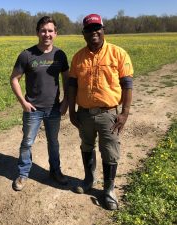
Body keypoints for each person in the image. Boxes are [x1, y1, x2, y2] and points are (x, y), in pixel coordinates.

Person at [68, 14, 133, 210]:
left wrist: (125, 113)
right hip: (85, 113)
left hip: (109, 114)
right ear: (83, 33)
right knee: (86, 146)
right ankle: (89, 180)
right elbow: (71, 86)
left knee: (110, 152)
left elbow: (127, 84)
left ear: (103, 30)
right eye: (89, 29)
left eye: (97, 28)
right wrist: (72, 110)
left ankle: (109, 189)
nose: (93, 32)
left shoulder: (118, 53)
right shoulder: (78, 57)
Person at [10, 16, 70, 191]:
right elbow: (14, 79)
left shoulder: (60, 55)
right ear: (37, 32)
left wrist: (66, 101)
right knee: (27, 142)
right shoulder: (27, 55)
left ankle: (55, 171)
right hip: (33, 109)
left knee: (54, 142)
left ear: (56, 34)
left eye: (50, 31)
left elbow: (66, 79)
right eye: (43, 30)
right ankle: (23, 173)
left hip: (54, 108)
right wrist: (23, 102)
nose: (47, 34)